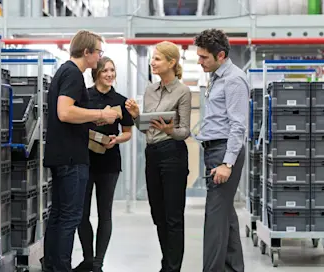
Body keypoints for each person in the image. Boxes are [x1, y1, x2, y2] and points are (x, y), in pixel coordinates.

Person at [42, 30, 120, 272]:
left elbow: (69, 114)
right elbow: (64, 112)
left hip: (62, 154)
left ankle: (53, 266)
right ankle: (61, 267)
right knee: (69, 218)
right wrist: (101, 114)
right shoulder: (74, 75)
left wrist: (91, 121)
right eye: (98, 52)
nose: (99, 57)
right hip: (71, 158)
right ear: (86, 52)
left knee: (58, 216)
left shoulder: (65, 72)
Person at [125, 41, 191, 272]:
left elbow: (185, 131)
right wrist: (136, 116)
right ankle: (167, 263)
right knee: (158, 215)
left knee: (173, 217)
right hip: (152, 154)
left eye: (158, 59)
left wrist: (169, 130)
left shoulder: (182, 92)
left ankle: (172, 268)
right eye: (153, 58)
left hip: (173, 154)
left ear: (172, 63)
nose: (153, 63)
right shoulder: (149, 90)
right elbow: (146, 129)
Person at [194, 28, 248, 272]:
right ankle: (234, 268)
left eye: (204, 57)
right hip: (214, 149)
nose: (199, 61)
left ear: (221, 55)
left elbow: (238, 125)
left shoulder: (233, 80)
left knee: (214, 218)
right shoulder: (217, 76)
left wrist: (227, 163)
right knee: (226, 215)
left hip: (225, 151)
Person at [73, 57, 134, 272]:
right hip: (85, 161)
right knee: (81, 213)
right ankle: (88, 258)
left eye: (112, 70)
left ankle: (98, 263)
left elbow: (127, 133)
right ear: (96, 73)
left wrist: (117, 140)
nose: (109, 74)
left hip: (109, 162)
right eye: (105, 70)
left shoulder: (121, 100)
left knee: (104, 213)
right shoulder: (84, 97)